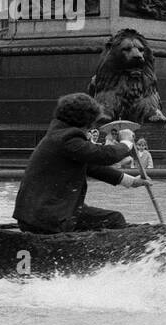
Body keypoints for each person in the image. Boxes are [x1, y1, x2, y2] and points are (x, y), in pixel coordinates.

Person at [14, 93, 152, 234]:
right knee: (115, 220)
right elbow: (104, 156)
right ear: (86, 120)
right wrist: (127, 142)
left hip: (37, 214)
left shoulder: (57, 134)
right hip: (50, 217)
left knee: (111, 218)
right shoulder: (68, 138)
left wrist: (132, 182)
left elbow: (92, 168)